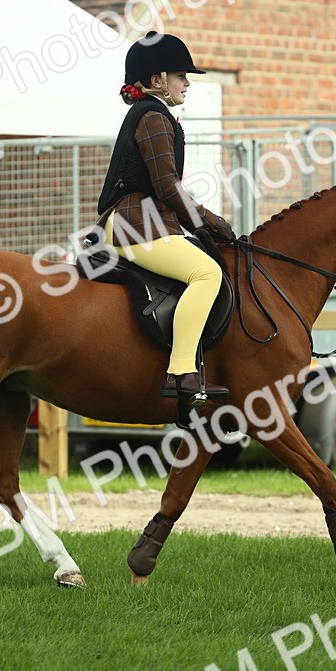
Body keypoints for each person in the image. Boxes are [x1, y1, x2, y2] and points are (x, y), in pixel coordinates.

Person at [96, 31, 236, 399]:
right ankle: (180, 372)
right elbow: (168, 188)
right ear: (157, 80)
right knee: (207, 273)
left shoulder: (151, 113)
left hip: (144, 220)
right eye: (180, 75)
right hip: (138, 224)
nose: (187, 82)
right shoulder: (154, 117)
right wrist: (211, 223)